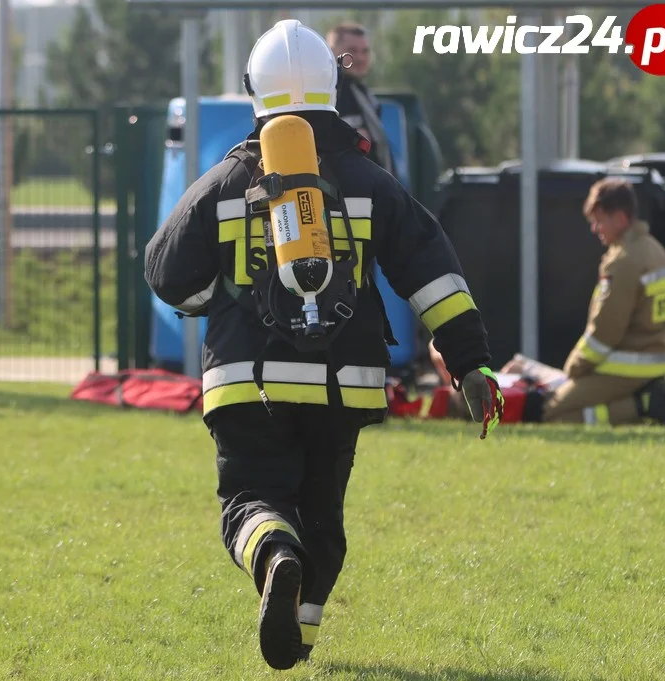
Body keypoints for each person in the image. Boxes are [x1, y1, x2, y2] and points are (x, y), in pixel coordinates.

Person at [143, 19, 504, 671]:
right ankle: (298, 642)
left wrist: (216, 296)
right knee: (324, 517)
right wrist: (471, 359)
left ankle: (273, 555)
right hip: (344, 381)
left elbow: (166, 271)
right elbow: (432, 270)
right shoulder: (370, 180)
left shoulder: (225, 180)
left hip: (246, 382)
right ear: (333, 85)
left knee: (252, 501)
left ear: (255, 90)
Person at [430, 178, 665, 430]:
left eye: (599, 221)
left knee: (554, 411)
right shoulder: (657, 252)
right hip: (653, 362)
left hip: (624, 368)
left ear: (620, 218)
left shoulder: (624, 262)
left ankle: (643, 405)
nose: (595, 229)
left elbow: (605, 332)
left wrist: (575, 367)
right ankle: (646, 401)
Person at [324, 21, 395, 175]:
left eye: (365, 51)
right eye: (352, 51)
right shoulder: (328, 92)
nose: (360, 58)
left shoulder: (363, 94)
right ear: (331, 51)